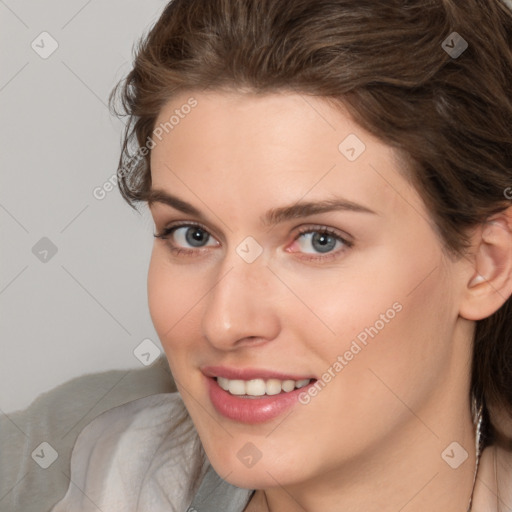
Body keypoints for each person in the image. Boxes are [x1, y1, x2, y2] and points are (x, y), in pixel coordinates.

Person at [51, 0, 512, 510]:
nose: (224, 323)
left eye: (319, 240)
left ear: (487, 265)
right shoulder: (68, 465)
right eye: (192, 235)